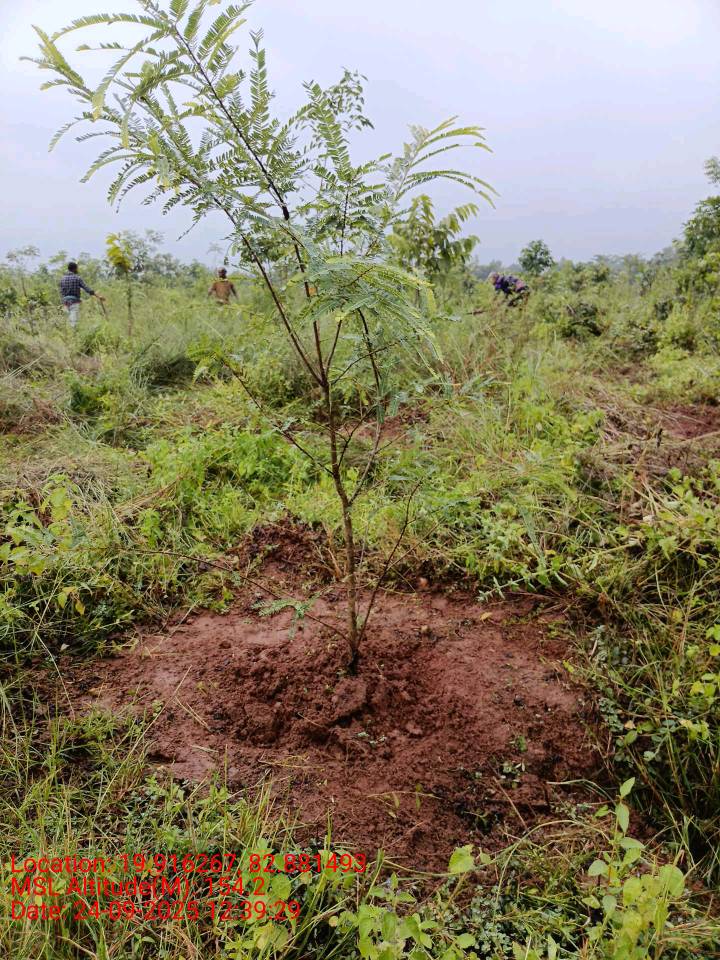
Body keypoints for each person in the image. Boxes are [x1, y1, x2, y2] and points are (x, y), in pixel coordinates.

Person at [60, 261, 105, 326]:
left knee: (68, 321)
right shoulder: (77, 278)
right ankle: (74, 331)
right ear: (74, 269)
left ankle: (70, 331)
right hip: (74, 302)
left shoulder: (62, 279)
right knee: (74, 322)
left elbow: (61, 292)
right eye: (77, 268)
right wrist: (98, 296)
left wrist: (63, 301)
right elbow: (87, 289)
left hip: (65, 302)